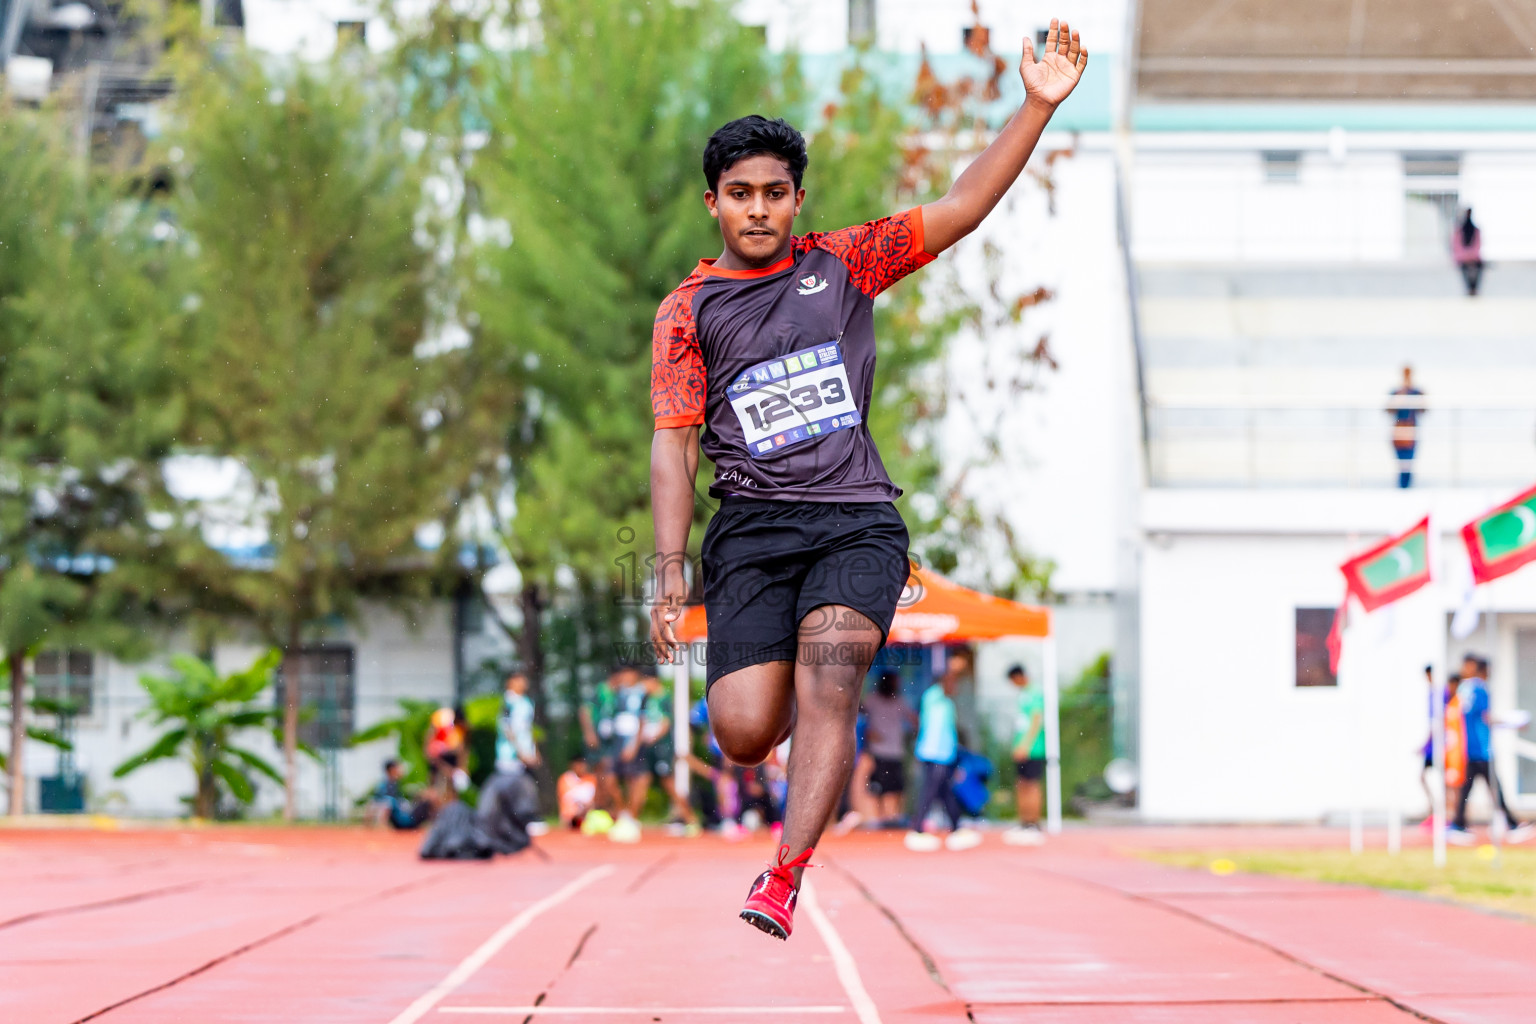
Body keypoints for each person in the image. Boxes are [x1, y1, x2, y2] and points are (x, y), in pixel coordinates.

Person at [648, 22, 1089, 940]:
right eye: (741, 195)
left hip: (856, 524)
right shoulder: (688, 311)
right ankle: (787, 765)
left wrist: (1036, 105)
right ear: (712, 204)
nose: (759, 209)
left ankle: (784, 875)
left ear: (798, 200)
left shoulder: (844, 263)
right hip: (753, 536)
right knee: (740, 730)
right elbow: (673, 445)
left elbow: (962, 205)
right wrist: (667, 564)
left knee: (831, 682)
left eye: (776, 193)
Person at [1449, 654, 1532, 844]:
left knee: (1472, 787)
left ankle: (1460, 823)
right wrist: (1512, 723)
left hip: (1469, 747)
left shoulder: (1464, 689)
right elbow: (1486, 717)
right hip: (1481, 748)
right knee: (1493, 787)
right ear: (1483, 670)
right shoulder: (1479, 689)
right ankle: (1509, 824)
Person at [904, 651, 982, 853]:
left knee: (946, 791)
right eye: (952, 682)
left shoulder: (947, 703)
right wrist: (955, 667)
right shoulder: (934, 696)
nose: (955, 686)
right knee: (930, 791)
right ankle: (918, 828)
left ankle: (956, 827)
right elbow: (947, 679)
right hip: (933, 753)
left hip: (945, 754)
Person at [477, 669, 540, 855]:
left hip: (525, 752)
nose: (523, 683)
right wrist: (519, 752)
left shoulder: (527, 703)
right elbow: (507, 728)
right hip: (510, 755)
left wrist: (533, 750)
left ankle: (523, 823)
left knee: (524, 786)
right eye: (518, 680)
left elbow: (528, 729)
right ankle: (511, 825)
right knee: (512, 788)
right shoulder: (508, 702)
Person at [862, 670, 915, 827]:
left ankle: (893, 818)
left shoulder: (899, 701)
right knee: (878, 787)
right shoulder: (872, 700)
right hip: (879, 751)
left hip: (895, 752)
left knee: (896, 786)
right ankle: (880, 818)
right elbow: (857, 716)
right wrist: (866, 732)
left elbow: (914, 719)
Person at [1003, 664, 1047, 845]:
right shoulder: (1022, 695)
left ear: (1019, 676)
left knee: (1032, 784)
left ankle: (1034, 823)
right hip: (1021, 747)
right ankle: (1024, 822)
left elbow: (1036, 721)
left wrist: (1026, 745)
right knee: (1021, 784)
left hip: (1033, 749)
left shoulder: (1035, 693)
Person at [609, 668, 651, 843]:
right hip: (617, 740)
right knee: (611, 778)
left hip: (633, 741)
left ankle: (632, 817)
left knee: (634, 779)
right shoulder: (618, 693)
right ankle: (624, 813)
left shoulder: (642, 693)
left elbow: (642, 720)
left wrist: (634, 745)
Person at [579, 666, 626, 813]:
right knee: (600, 774)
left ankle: (604, 807)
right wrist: (589, 733)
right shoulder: (600, 691)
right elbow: (585, 711)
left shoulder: (619, 695)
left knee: (607, 773)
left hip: (610, 741)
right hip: (598, 739)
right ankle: (602, 807)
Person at [1386, 366, 1424, 489]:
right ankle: (1402, 488)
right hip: (1399, 432)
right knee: (1401, 463)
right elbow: (1388, 410)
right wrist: (1399, 398)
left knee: (1409, 463)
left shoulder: (1416, 392)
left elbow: (1423, 409)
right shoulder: (1397, 392)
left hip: (1411, 432)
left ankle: (1406, 488)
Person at [370, 758, 433, 830]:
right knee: (429, 800)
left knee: (426, 797)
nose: (401, 770)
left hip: (403, 819)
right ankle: (437, 824)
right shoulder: (389, 786)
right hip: (404, 822)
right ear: (392, 770)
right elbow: (387, 803)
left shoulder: (391, 784)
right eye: (398, 768)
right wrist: (383, 824)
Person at [558, 755, 598, 830]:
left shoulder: (591, 779)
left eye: (582, 765)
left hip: (586, 814)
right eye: (578, 765)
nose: (580, 767)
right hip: (570, 816)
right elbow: (566, 799)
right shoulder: (566, 779)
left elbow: (592, 800)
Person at [1451, 208, 1483, 296]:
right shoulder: (1459, 231)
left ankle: (1474, 288)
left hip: (1473, 258)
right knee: (1464, 268)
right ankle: (1469, 288)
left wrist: (1470, 256)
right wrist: (1467, 256)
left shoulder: (1475, 230)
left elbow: (1478, 245)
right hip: (1464, 259)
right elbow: (1456, 246)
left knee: (1479, 268)